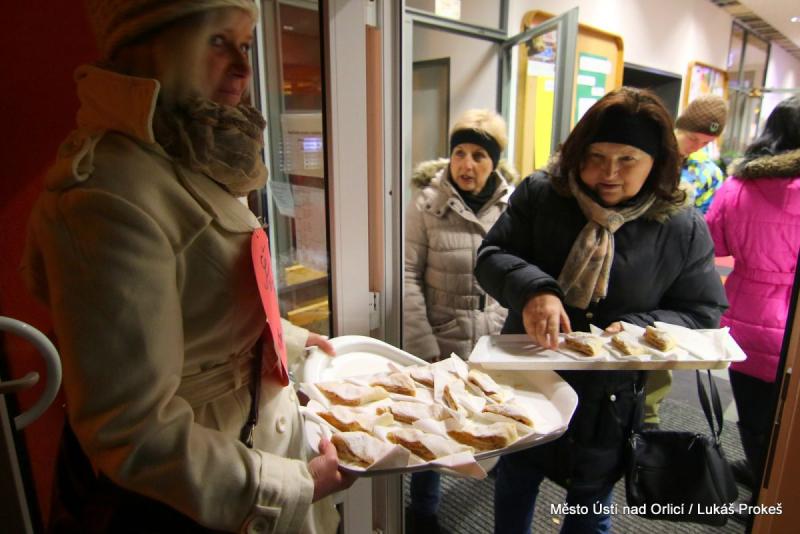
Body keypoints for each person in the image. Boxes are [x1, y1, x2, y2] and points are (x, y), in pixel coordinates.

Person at [20, 2, 353, 532]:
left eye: (246, 45)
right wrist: (289, 486)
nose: (243, 67)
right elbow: (131, 428)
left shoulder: (191, 148)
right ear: (151, 46)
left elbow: (198, 306)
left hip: (254, 441)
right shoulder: (106, 192)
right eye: (218, 41)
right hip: (200, 495)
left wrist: (288, 339)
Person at [474, 87, 727, 534]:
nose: (609, 173)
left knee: (589, 504)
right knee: (516, 479)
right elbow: (492, 255)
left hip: (611, 396)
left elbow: (702, 311)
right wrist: (534, 290)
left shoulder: (680, 224)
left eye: (628, 159)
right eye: (596, 157)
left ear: (655, 162)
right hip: (531, 378)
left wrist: (638, 329)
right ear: (578, 153)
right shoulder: (543, 194)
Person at [403, 109, 517, 532]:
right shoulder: (427, 204)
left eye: (479, 156)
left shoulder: (513, 205)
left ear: (494, 161)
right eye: (459, 153)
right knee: (433, 428)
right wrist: (423, 345)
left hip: (495, 337)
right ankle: (423, 511)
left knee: (496, 412)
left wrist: (511, 331)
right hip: (442, 336)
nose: (467, 164)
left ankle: (498, 470)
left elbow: (520, 269)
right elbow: (407, 274)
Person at [705, 95, 800, 500]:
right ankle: (776, 494)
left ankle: (759, 473)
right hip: (794, 321)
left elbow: (713, 243)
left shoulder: (736, 186)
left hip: (746, 315)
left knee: (753, 412)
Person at [643, 93, 729, 430]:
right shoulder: (648, 156)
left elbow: (705, 228)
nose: (697, 147)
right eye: (693, 138)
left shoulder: (707, 173)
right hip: (637, 261)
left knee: (660, 350)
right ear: (679, 127)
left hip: (675, 270)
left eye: (706, 142)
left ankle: (646, 424)